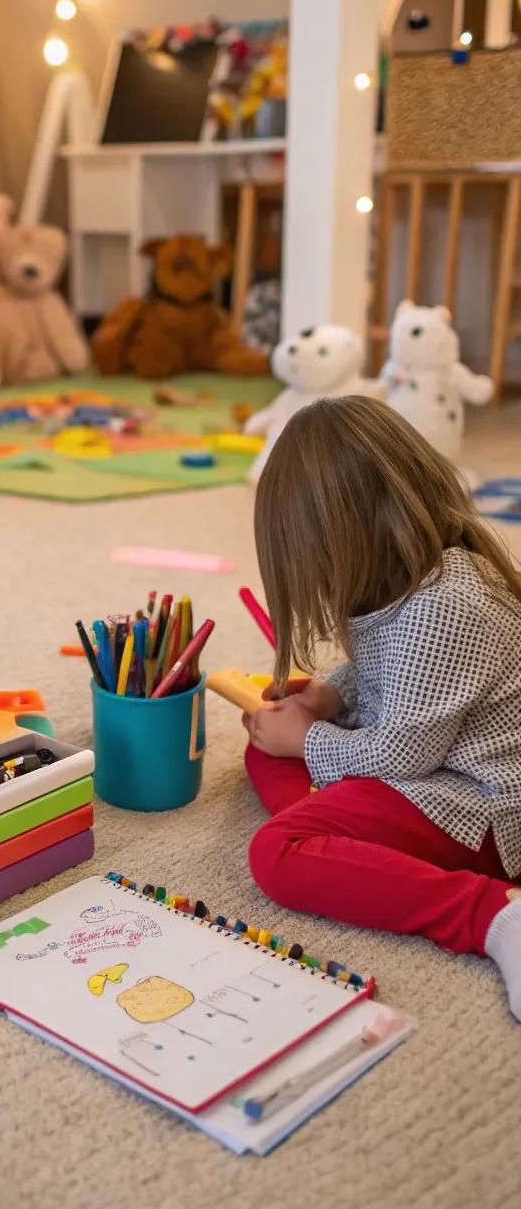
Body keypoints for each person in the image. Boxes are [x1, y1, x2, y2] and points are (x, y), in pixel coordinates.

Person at [243, 395, 521, 1020]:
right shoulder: (415, 576)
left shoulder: (447, 603)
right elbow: (390, 672)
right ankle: (343, 840)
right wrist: (332, 694)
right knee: (264, 738)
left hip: (479, 803)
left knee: (275, 853)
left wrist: (308, 741)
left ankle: (496, 914)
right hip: (429, 762)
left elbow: (404, 754)